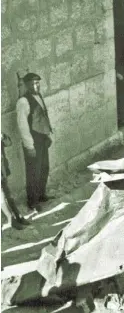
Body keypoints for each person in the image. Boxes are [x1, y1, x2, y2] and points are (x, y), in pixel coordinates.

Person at [16, 72, 53, 211]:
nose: (36, 86)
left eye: (37, 83)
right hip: (33, 141)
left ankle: (41, 194)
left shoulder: (38, 96)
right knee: (33, 171)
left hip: (42, 139)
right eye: (32, 84)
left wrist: (48, 135)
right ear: (26, 85)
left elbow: (42, 117)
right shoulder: (23, 102)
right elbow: (23, 126)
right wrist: (29, 146)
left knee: (44, 168)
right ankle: (32, 201)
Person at [1, 134, 30, 229]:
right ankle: (11, 219)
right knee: (2, 197)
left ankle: (17, 216)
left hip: (2, 171)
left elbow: (8, 143)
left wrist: (3, 137)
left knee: (8, 195)